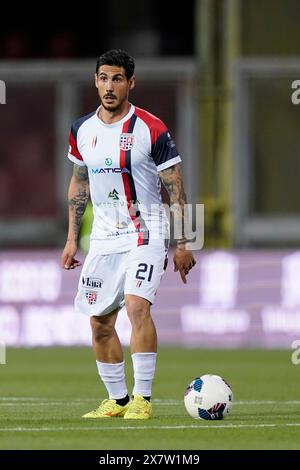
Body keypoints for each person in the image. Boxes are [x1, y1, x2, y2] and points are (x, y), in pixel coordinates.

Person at [61, 49, 196, 419]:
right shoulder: (81, 130)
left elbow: (177, 189)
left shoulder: (151, 129)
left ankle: (143, 399)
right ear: (95, 81)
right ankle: (117, 401)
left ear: (130, 83)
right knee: (100, 323)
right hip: (103, 238)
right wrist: (73, 239)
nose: (109, 86)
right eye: (103, 78)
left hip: (146, 230)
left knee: (137, 307)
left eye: (117, 78)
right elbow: (78, 184)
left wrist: (184, 242)